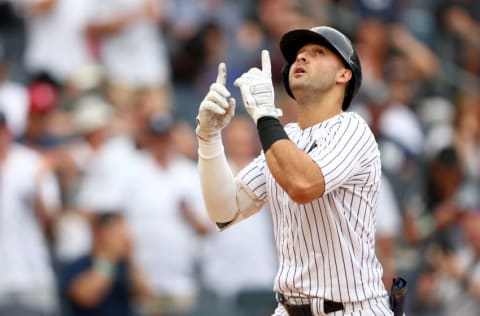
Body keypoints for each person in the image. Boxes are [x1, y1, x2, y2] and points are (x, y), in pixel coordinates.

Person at [195, 25, 393, 315]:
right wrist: (208, 139)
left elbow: (303, 184)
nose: (301, 58)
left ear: (343, 74)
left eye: (317, 52)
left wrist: (264, 114)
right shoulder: (285, 138)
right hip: (288, 308)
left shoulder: (353, 128)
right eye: (298, 55)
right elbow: (224, 211)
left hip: (351, 308)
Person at [60, 211, 153, 316]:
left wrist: (130, 259)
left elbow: (145, 294)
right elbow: (86, 297)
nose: (124, 238)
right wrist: (110, 257)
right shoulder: (77, 264)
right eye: (118, 234)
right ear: (100, 234)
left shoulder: (124, 266)